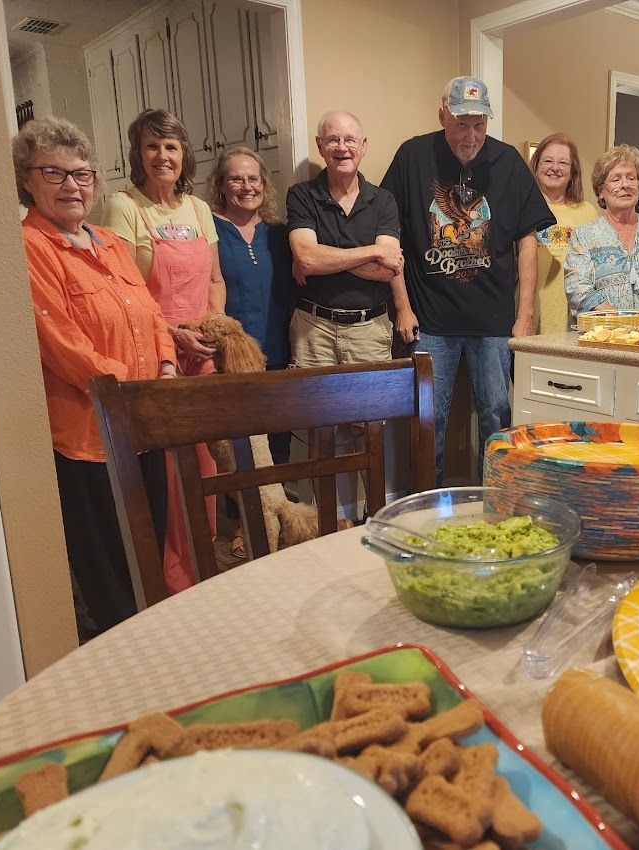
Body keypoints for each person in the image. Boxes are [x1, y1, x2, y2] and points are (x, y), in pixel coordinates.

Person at [14, 116, 174, 635]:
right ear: (26, 180)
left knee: (148, 549)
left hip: (144, 425)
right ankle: (118, 654)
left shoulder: (109, 241)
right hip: (89, 436)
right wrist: (133, 390)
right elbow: (62, 344)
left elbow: (151, 313)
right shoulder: (29, 247)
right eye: (53, 173)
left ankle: (149, 641)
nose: (71, 185)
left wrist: (167, 365)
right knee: (108, 568)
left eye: (81, 174)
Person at [381, 77, 554, 484]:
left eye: (479, 124)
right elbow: (389, 235)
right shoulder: (412, 156)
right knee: (427, 420)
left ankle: (494, 500)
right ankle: (427, 505)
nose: (470, 136)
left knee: (496, 415)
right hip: (430, 321)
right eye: (461, 124)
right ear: (442, 115)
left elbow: (528, 241)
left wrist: (524, 316)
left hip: (493, 323)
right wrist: (402, 307)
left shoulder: (508, 162)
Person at [103, 108, 223, 595]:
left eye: (170, 146)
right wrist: (173, 336)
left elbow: (215, 279)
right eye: (151, 146)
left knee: (207, 462)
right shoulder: (123, 206)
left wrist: (214, 328)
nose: (161, 156)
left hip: (204, 352)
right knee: (169, 470)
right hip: (156, 355)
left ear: (183, 153)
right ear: (138, 154)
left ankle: (203, 562)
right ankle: (170, 577)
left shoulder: (199, 210)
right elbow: (122, 292)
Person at [286, 110, 410, 521]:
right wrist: (370, 251)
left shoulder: (383, 200)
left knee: (368, 429)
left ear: (363, 146)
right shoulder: (302, 195)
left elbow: (389, 269)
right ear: (320, 146)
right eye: (333, 139)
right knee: (317, 428)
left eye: (350, 139)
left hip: (369, 328)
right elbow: (306, 257)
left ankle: (374, 517)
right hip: (314, 328)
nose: (342, 147)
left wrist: (327, 257)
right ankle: (324, 521)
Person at [206, 146, 293, 463]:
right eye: (236, 179)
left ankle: (279, 496)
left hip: (279, 359)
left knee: (278, 450)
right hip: (230, 362)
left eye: (253, 179)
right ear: (220, 185)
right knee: (239, 452)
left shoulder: (279, 234)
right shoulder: (209, 230)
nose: (247, 187)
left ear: (264, 184)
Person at [563, 144, 639, 326]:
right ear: (601, 191)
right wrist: (625, 324)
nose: (625, 185)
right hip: (602, 337)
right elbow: (578, 290)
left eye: (631, 178)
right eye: (616, 179)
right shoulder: (584, 236)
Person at [528, 133, 597, 333]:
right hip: (529, 314)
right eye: (548, 161)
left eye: (563, 162)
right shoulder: (521, 209)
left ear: (572, 170)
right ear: (536, 166)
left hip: (573, 319)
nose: (555, 168)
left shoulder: (587, 212)